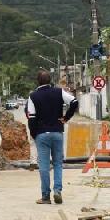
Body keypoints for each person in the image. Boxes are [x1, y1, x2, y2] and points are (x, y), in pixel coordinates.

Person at [26, 70, 77, 204]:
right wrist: (66, 118)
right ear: (50, 80)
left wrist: (34, 134)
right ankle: (57, 191)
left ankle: (45, 197)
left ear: (38, 81)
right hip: (57, 133)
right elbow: (74, 101)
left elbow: (31, 118)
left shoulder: (33, 96)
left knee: (43, 166)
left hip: (41, 134)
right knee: (58, 163)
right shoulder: (59, 92)